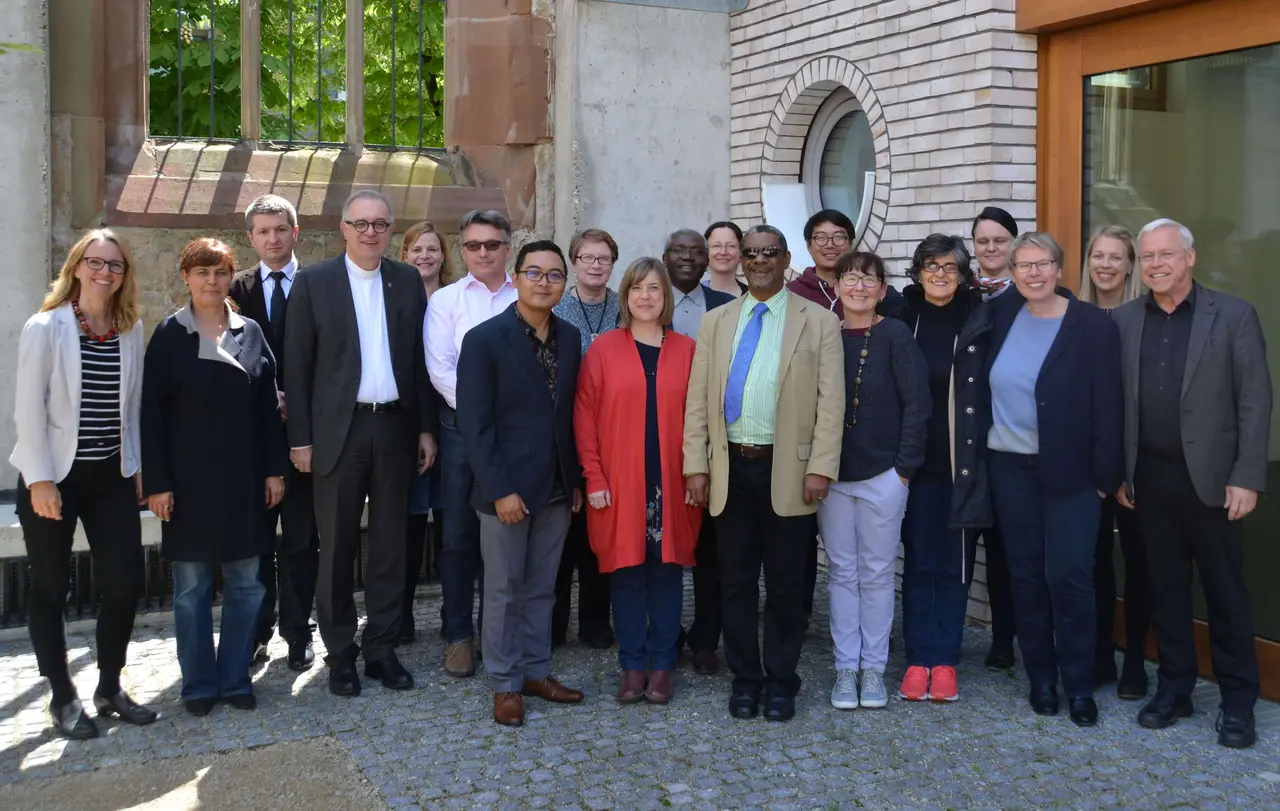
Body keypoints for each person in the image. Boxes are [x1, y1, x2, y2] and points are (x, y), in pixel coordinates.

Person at [1115, 218, 1271, 749]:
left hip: (1213, 482)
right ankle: (1175, 688)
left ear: (1190, 258)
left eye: (1166, 254)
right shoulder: (1123, 320)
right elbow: (1116, 405)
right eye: (1149, 256)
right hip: (1149, 483)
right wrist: (1120, 473)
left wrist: (1247, 476)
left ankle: (1238, 702)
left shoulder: (1232, 316)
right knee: (1166, 591)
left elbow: (1254, 402)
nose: (1157, 264)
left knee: (1226, 595)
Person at [684, 225, 844, 722]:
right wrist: (696, 464)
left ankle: (781, 681)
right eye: (750, 254)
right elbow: (698, 400)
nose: (757, 261)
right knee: (733, 583)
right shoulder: (716, 321)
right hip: (731, 467)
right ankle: (745, 679)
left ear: (785, 258)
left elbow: (831, 404)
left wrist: (821, 467)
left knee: (785, 585)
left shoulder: (818, 321)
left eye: (767, 253)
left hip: (790, 472)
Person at [283, 190, 437, 697]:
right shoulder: (313, 282)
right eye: (361, 223)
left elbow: (418, 360)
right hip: (337, 433)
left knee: (391, 545)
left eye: (380, 224)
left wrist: (424, 428)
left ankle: (381, 649)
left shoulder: (407, 280)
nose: (371, 232)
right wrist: (300, 440)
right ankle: (341, 652)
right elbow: (297, 367)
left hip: (393, 428)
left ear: (391, 230)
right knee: (337, 545)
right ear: (343, 229)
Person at [11, 228, 155, 739]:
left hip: (111, 476)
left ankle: (109, 686)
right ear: (76, 267)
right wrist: (40, 481)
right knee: (50, 587)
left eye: (115, 266)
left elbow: (132, 407)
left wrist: (136, 465)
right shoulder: (45, 327)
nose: (105, 272)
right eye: (95, 262)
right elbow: (27, 411)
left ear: (124, 276)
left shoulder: (129, 329)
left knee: (124, 584)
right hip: (55, 477)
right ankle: (62, 694)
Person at [142, 237, 288, 716]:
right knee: (191, 589)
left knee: (248, 584)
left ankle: (234, 676)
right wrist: (157, 484)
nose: (211, 281)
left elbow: (269, 411)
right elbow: (151, 417)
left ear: (230, 278)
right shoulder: (169, 336)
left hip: (244, 481)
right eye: (202, 272)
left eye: (220, 272)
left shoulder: (250, 333)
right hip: (187, 486)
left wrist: (274, 471)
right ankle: (199, 682)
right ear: (185, 277)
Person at [985, 231, 1123, 727]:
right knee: (1025, 576)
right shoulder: (1001, 316)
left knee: (1069, 578)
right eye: (1024, 266)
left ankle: (1079, 685)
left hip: (1073, 475)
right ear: (1014, 272)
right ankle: (1040, 678)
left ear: (1060, 269)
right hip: (1009, 470)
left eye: (1042, 264)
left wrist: (1106, 476)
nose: (1034, 274)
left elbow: (1109, 404)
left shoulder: (1092, 325)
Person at [457, 240, 585, 727]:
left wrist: (572, 478)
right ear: (516, 277)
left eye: (555, 275)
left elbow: (569, 414)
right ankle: (505, 683)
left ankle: (535, 671)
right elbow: (475, 424)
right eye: (535, 272)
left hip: (555, 486)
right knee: (504, 588)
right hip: (507, 490)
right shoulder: (485, 339)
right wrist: (499, 489)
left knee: (542, 587)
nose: (545, 282)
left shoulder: (570, 337)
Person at [575, 257, 701, 704]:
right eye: (636, 289)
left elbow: (700, 417)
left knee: (667, 575)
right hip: (619, 481)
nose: (645, 296)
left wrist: (696, 472)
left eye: (654, 288)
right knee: (625, 573)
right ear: (624, 297)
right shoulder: (604, 349)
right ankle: (632, 666)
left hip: (672, 481)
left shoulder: (688, 349)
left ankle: (663, 666)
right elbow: (584, 417)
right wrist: (593, 475)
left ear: (666, 297)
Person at [820, 251, 929, 711]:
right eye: (850, 278)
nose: (858, 286)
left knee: (878, 574)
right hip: (831, 478)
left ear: (883, 289)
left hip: (884, 475)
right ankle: (846, 668)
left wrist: (903, 471)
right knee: (842, 573)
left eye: (868, 279)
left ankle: (873, 669)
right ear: (837, 286)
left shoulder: (896, 335)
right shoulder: (823, 334)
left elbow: (917, 405)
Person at [893, 234, 993, 703]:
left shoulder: (980, 317)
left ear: (963, 273)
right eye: (931, 265)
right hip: (912, 464)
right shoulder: (901, 315)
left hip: (962, 465)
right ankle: (917, 657)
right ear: (917, 271)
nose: (939, 274)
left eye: (949, 267)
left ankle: (946, 660)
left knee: (954, 565)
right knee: (917, 562)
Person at [425, 209, 519, 678]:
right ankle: (458, 635)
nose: (483, 253)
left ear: (508, 247)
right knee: (460, 536)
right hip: (462, 431)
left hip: (517, 435)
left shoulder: (527, 293)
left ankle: (500, 635)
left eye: (492, 244)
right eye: (473, 245)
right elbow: (441, 368)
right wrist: (482, 413)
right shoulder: (445, 301)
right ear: (461, 250)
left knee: (507, 538)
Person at [229, 194, 320, 673]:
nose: (272, 239)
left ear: (295, 231)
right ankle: (256, 632)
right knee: (256, 540)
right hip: (254, 441)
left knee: (302, 540)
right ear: (250, 238)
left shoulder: (322, 284)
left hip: (308, 437)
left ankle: (298, 632)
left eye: (280, 229)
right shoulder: (234, 290)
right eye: (263, 231)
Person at [1076, 225, 1151, 698]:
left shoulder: (1145, 318)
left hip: (1135, 462)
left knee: (1139, 563)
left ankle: (1137, 662)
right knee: (1094, 562)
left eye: (1115, 257)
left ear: (1130, 266)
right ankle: (1101, 653)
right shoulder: (1074, 315)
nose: (1105, 265)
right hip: (1085, 463)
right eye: (1097, 256)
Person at [665, 228, 736, 675]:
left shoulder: (728, 309)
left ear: (708, 259)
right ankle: (668, 633)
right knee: (666, 545)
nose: (689, 257)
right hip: (658, 440)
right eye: (680, 250)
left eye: (697, 251)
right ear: (665, 256)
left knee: (714, 548)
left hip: (713, 444)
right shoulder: (649, 301)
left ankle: (707, 638)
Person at [550, 228, 620, 650]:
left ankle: (596, 621)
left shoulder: (624, 306)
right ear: (574, 262)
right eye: (587, 258)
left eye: (604, 258)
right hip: (563, 429)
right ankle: (553, 625)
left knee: (600, 534)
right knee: (560, 537)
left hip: (611, 431)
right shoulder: (556, 305)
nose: (595, 265)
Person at [970, 205, 1020, 671]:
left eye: (999, 241)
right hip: (964, 440)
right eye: (983, 241)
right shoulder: (962, 294)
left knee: (1007, 547)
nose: (990, 248)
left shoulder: (1026, 298)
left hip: (1008, 440)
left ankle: (1006, 636)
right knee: (967, 543)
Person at [398, 221, 452, 643]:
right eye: (416, 249)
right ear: (404, 255)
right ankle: (401, 616)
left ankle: (455, 618)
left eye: (432, 249)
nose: (424, 256)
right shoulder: (397, 299)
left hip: (452, 421)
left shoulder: (455, 301)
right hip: (409, 425)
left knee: (452, 524)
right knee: (408, 526)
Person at [705, 221, 746, 296]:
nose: (723, 252)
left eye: (731, 246)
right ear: (706, 252)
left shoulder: (754, 299)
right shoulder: (693, 297)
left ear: (740, 253)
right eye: (716, 246)